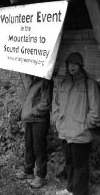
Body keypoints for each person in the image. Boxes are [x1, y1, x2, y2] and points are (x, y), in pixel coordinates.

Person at [52, 52, 100, 195]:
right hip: (64, 132)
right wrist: (57, 120)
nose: (72, 66)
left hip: (81, 134)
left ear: (80, 65)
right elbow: (56, 104)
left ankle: (80, 192)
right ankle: (70, 189)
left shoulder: (89, 83)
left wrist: (86, 125)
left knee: (80, 166)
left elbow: (95, 110)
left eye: (75, 64)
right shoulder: (63, 83)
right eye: (69, 63)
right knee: (70, 164)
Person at [15, 73, 53, 188]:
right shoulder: (35, 82)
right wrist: (22, 113)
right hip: (30, 119)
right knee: (29, 145)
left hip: (40, 120)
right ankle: (28, 171)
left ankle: (41, 176)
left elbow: (45, 104)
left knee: (39, 147)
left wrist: (31, 112)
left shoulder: (46, 81)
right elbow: (30, 100)